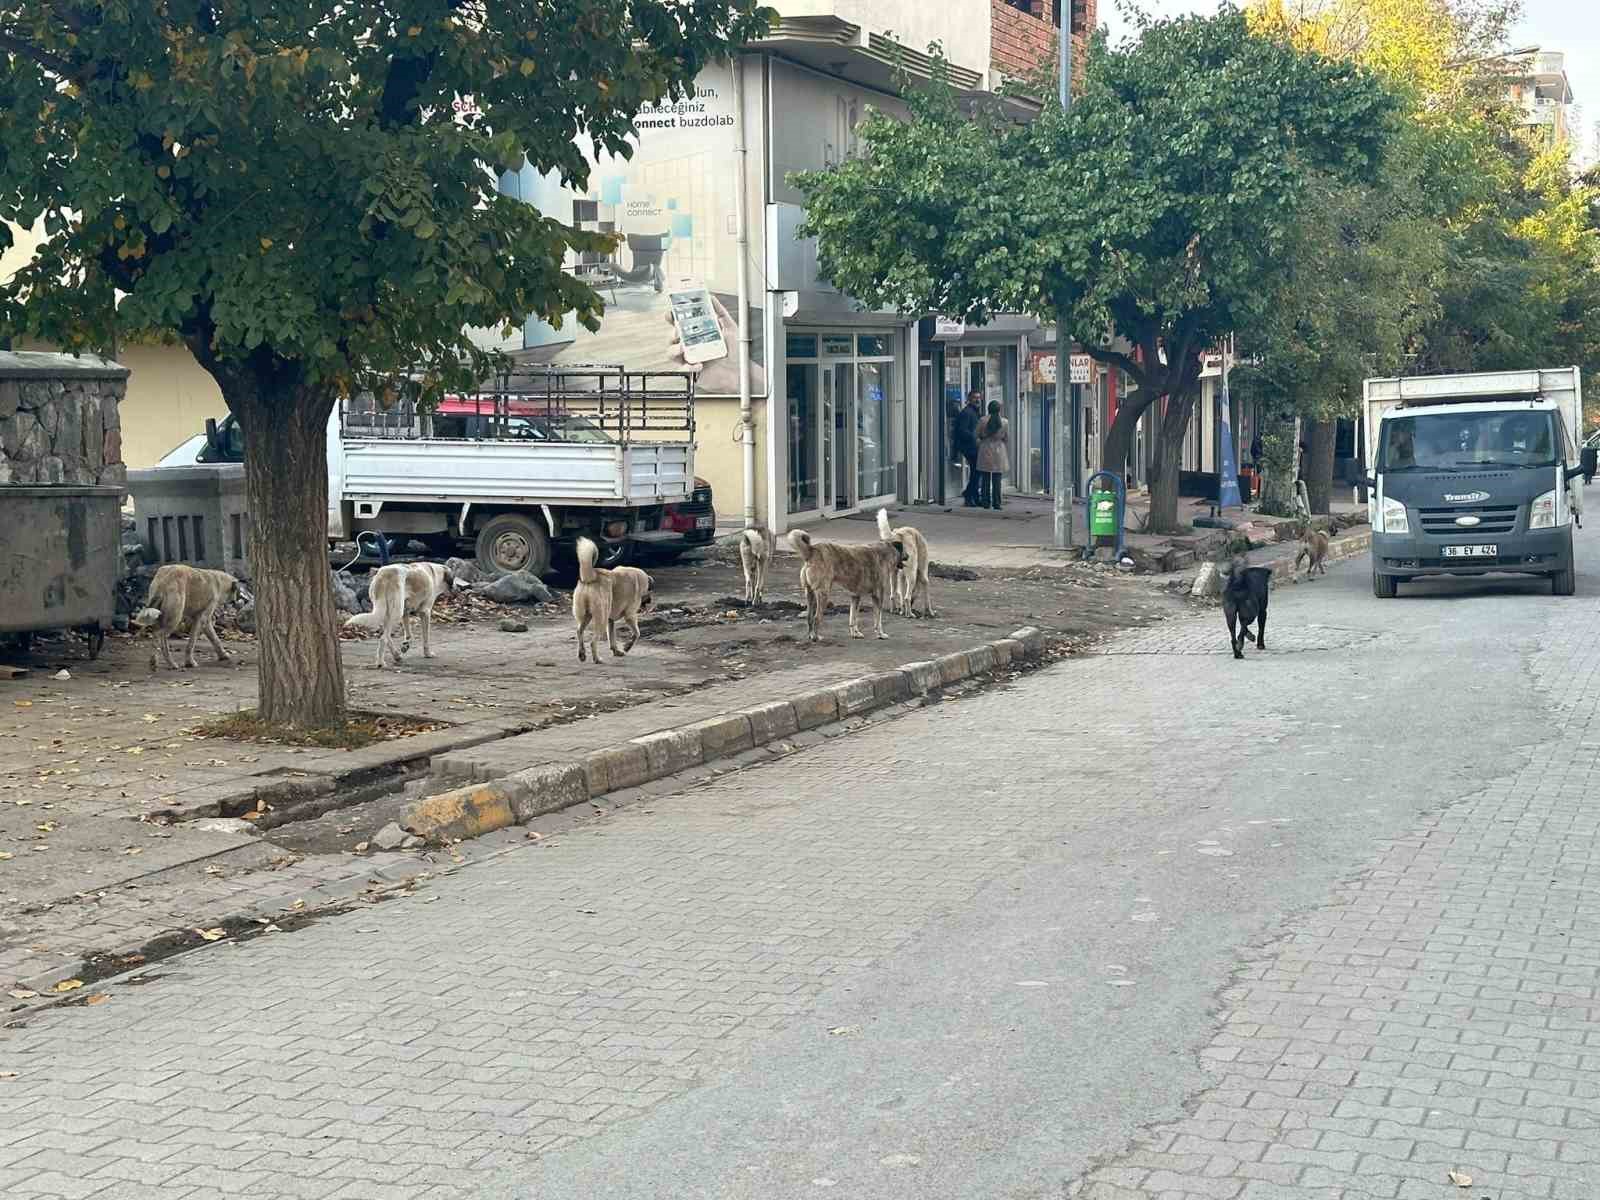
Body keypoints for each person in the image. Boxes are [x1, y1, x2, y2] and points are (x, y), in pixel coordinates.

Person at [976, 400, 1010, 510]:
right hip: (999, 450)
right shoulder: (1005, 422)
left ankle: (986, 502)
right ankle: (997, 503)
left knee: (985, 477)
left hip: (986, 449)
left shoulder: (982, 420)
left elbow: (977, 434)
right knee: (997, 479)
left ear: (988, 409)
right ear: (999, 409)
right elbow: (1006, 438)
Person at [953, 390, 984, 507]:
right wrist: (975, 437)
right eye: (975, 398)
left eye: (979, 398)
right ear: (969, 399)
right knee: (977, 472)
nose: (978, 400)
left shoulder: (975, 412)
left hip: (973, 447)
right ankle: (968, 495)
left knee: (976, 472)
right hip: (969, 447)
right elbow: (962, 430)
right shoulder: (967, 412)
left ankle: (974, 497)